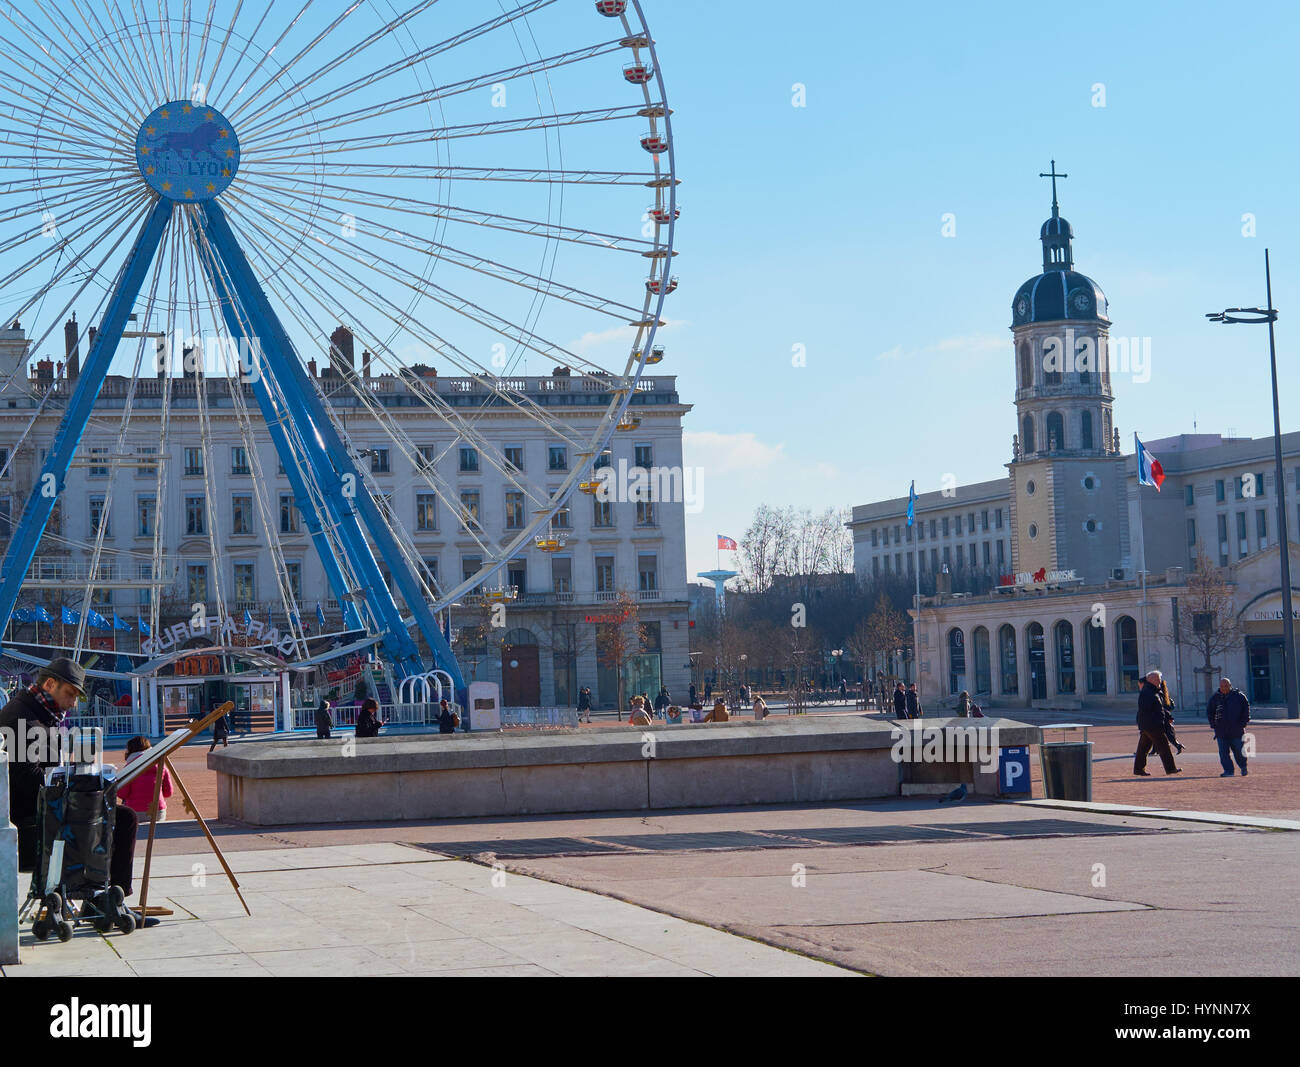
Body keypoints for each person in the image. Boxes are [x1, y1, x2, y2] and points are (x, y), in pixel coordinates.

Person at [0, 658, 157, 927]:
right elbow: (25, 779)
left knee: (123, 816)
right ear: (50, 684)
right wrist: (75, 784)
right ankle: (104, 900)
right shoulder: (22, 717)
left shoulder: (42, 714)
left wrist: (78, 776)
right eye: (70, 694)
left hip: (48, 812)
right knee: (118, 819)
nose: (73, 702)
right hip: (32, 823)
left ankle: (106, 898)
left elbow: (45, 772)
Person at [1135, 669, 1182, 776]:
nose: (1159, 681)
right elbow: (1147, 710)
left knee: (1143, 748)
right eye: (1157, 679)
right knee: (1164, 747)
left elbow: (1161, 708)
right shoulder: (1147, 692)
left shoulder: (1153, 691)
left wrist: (1166, 716)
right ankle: (1170, 769)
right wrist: (1157, 721)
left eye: (1159, 679)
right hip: (1152, 725)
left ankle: (1138, 769)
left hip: (1148, 725)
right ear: (1151, 680)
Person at [117, 737, 174, 821]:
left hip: (135, 809)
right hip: (158, 809)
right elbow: (168, 792)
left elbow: (122, 794)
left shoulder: (129, 768)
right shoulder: (161, 766)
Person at [1207, 677, 1250, 777]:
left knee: (1239, 751)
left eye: (1226, 686)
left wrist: (1243, 723)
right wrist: (1214, 725)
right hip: (1221, 731)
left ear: (1230, 686)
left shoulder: (1239, 696)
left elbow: (1246, 709)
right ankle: (1228, 771)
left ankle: (1243, 767)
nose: (1224, 688)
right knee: (1223, 753)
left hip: (1237, 731)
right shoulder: (1215, 698)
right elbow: (1210, 712)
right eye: (1222, 686)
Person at [1157, 676, 1183, 755]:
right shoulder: (1165, 693)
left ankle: (1178, 745)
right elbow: (1171, 706)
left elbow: (1163, 707)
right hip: (1166, 716)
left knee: (1166, 734)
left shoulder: (1159, 694)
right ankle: (1155, 750)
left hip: (1163, 716)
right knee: (1163, 734)